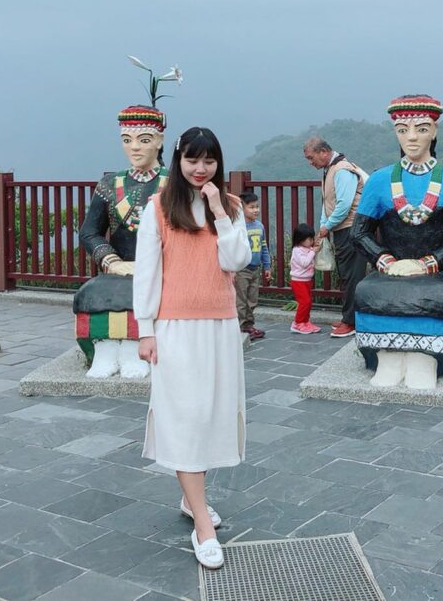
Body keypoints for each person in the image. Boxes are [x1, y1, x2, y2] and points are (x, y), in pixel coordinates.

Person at [134, 127, 251, 570]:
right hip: (175, 328)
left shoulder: (231, 206)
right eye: (192, 160)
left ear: (218, 162)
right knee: (186, 418)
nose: (200, 169)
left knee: (212, 416)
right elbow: (147, 271)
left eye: (209, 161)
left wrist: (219, 209)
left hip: (220, 326)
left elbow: (236, 261)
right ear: (178, 160)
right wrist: (146, 329)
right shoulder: (159, 207)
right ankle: (203, 524)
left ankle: (191, 499)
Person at [351, 95, 443, 389]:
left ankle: (427, 358)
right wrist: (386, 261)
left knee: (439, 298)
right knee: (369, 292)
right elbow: (359, 233)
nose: (411, 137)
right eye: (403, 130)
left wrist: (428, 263)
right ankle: (387, 356)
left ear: (434, 131)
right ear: (396, 133)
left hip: (438, 273)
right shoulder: (379, 181)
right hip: (390, 273)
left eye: (421, 129)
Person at [74, 104, 168, 379]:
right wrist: (112, 262)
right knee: (93, 294)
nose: (134, 148)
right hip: (118, 271)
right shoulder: (110, 184)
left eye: (144, 140)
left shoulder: (174, 185)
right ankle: (104, 349)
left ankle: (134, 351)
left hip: (163, 270)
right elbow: (89, 232)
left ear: (159, 141)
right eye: (127, 140)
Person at [303, 137, 368, 338]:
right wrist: (324, 225)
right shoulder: (331, 169)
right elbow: (328, 203)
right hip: (342, 228)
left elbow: (344, 205)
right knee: (346, 274)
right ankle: (348, 317)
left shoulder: (342, 170)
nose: (310, 162)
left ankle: (352, 322)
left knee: (352, 275)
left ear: (323, 152)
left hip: (352, 228)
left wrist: (327, 226)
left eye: (311, 157)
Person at [234, 191, 271, 340]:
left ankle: (248, 326)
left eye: (257, 206)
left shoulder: (260, 226)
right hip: (242, 270)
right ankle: (239, 327)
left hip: (255, 269)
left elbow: (264, 247)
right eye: (251, 207)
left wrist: (267, 266)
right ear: (242, 209)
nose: (256, 210)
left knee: (252, 300)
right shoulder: (238, 227)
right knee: (241, 301)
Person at [289, 223, 321, 334]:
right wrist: (313, 251)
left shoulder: (308, 248)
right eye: (309, 239)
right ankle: (297, 323)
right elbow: (304, 263)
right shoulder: (297, 250)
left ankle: (306, 322)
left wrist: (314, 248)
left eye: (312, 238)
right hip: (298, 281)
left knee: (308, 302)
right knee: (304, 302)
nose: (312, 241)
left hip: (306, 280)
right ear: (301, 239)